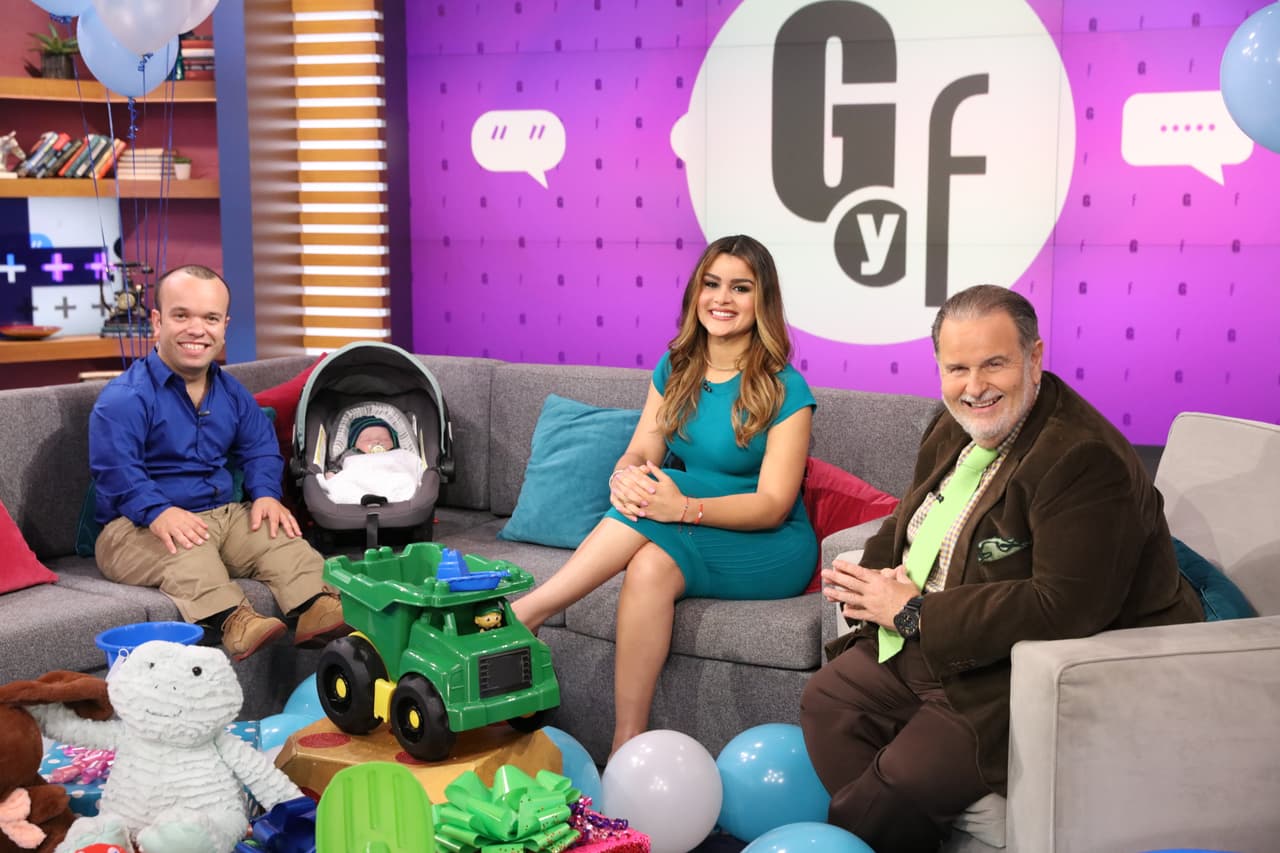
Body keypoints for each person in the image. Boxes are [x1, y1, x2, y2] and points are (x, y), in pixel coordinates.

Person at [800, 285, 1204, 853]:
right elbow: (907, 518)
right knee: (828, 702)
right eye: (957, 368)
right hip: (934, 640)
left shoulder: (1082, 458)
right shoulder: (955, 422)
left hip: (1018, 667)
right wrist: (873, 580)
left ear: (1034, 358)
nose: (975, 387)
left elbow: (1065, 607)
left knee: (902, 783)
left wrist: (914, 612)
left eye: (994, 364)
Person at [512, 234, 818, 754]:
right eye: (711, 284)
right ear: (696, 292)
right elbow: (641, 450)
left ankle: (529, 612)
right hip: (689, 524)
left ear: (762, 300)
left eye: (740, 288)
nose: (722, 299)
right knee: (649, 565)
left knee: (662, 486)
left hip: (768, 544)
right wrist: (623, 478)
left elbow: (772, 505)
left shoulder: (786, 389)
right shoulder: (676, 368)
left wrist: (681, 507)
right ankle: (626, 744)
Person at [89, 264, 348, 663]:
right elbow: (116, 472)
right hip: (134, 528)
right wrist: (158, 511)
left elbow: (260, 447)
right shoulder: (124, 398)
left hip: (222, 515)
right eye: (182, 316)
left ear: (224, 326)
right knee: (186, 555)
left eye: (210, 318)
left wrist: (265, 494)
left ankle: (318, 606)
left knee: (278, 538)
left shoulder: (230, 392)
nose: (197, 329)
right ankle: (235, 621)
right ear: (157, 321)